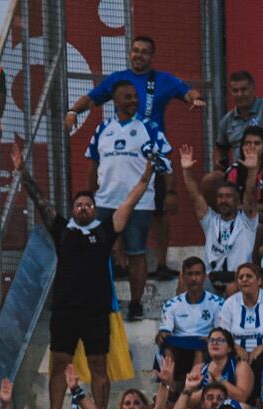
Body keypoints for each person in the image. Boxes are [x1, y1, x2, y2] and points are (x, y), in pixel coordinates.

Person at [15, 142, 154, 409]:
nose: (83, 208)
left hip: (96, 312)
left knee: (98, 366)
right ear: (73, 209)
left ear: (94, 209)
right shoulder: (63, 230)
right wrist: (23, 172)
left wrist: (145, 178)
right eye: (78, 204)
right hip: (65, 310)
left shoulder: (104, 231)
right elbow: (40, 202)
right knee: (60, 363)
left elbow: (129, 203)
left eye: (88, 205)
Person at [67, 35, 205, 279]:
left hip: (152, 156)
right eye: (135, 50)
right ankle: (118, 264)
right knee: (116, 210)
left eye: (144, 52)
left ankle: (161, 264)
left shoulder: (162, 80)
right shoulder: (118, 80)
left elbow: (186, 91)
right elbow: (91, 97)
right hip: (122, 158)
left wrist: (194, 98)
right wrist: (73, 111)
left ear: (152, 56)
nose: (138, 55)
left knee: (159, 211)